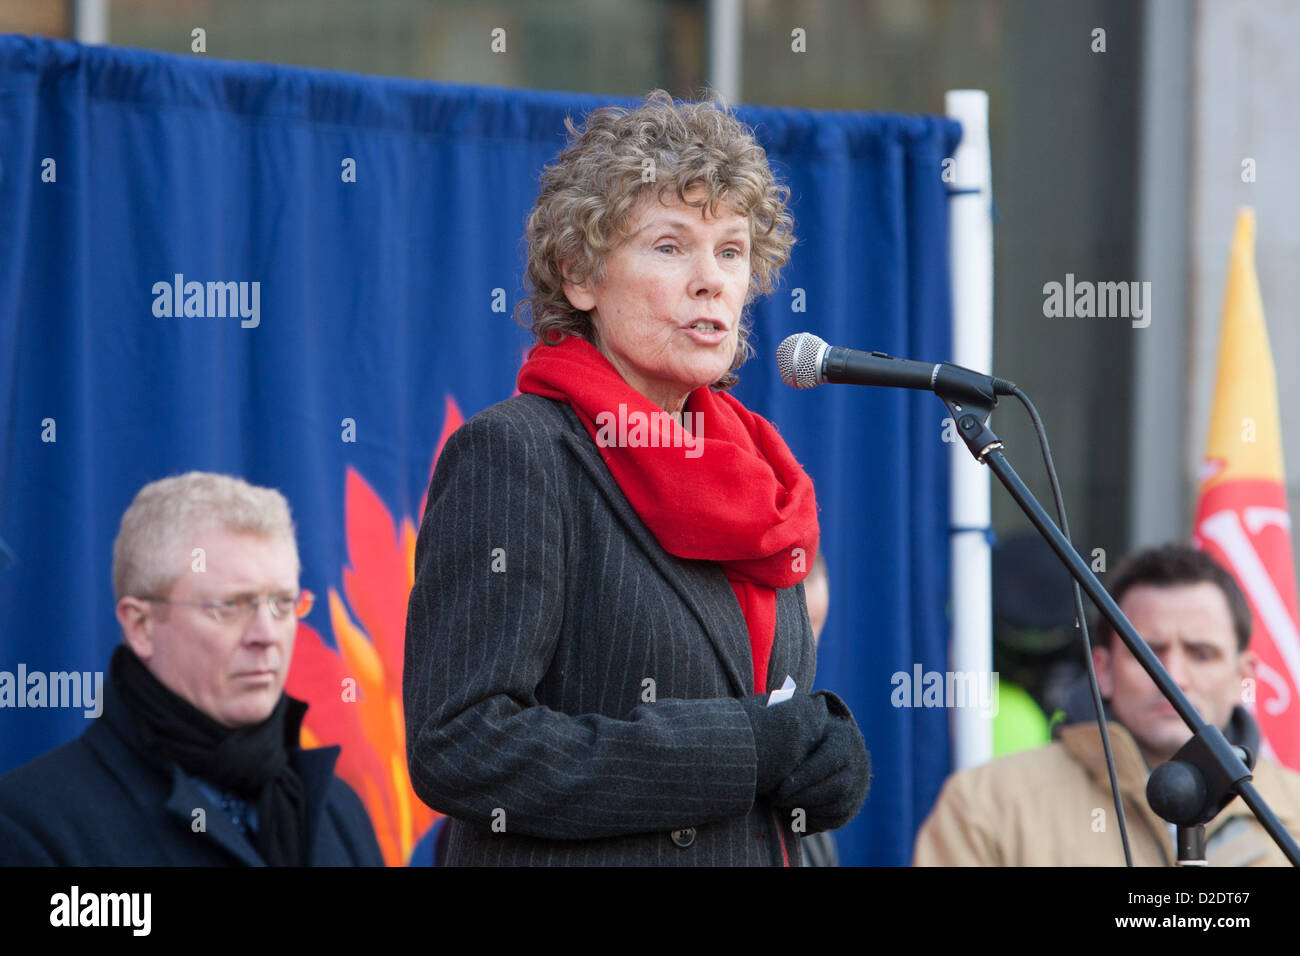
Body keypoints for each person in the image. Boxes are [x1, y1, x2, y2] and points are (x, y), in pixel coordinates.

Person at [403, 89, 870, 866]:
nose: (711, 280)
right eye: (668, 246)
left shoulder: (755, 479)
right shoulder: (519, 457)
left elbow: (762, 720)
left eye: (730, 251)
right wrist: (739, 751)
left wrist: (824, 762)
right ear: (579, 274)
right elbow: (461, 744)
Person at [0, 472, 383, 866]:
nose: (267, 635)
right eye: (230, 606)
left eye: (283, 603)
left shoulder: (339, 812)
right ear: (141, 626)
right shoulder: (31, 827)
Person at [913, 543, 1300, 866]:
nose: (1174, 676)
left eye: (1201, 654)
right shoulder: (987, 804)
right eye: (1146, 653)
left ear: (1243, 676)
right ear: (1103, 669)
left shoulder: (1293, 812)